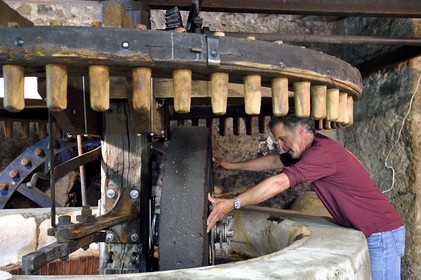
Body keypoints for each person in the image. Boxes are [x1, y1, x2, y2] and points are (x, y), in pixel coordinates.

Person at [207, 113, 405, 280]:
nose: (281, 145)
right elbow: (273, 161)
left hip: (381, 234)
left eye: (282, 138)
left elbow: (278, 182)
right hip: (372, 232)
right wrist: (231, 165)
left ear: (301, 130)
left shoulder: (322, 153)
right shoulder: (308, 150)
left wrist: (232, 204)